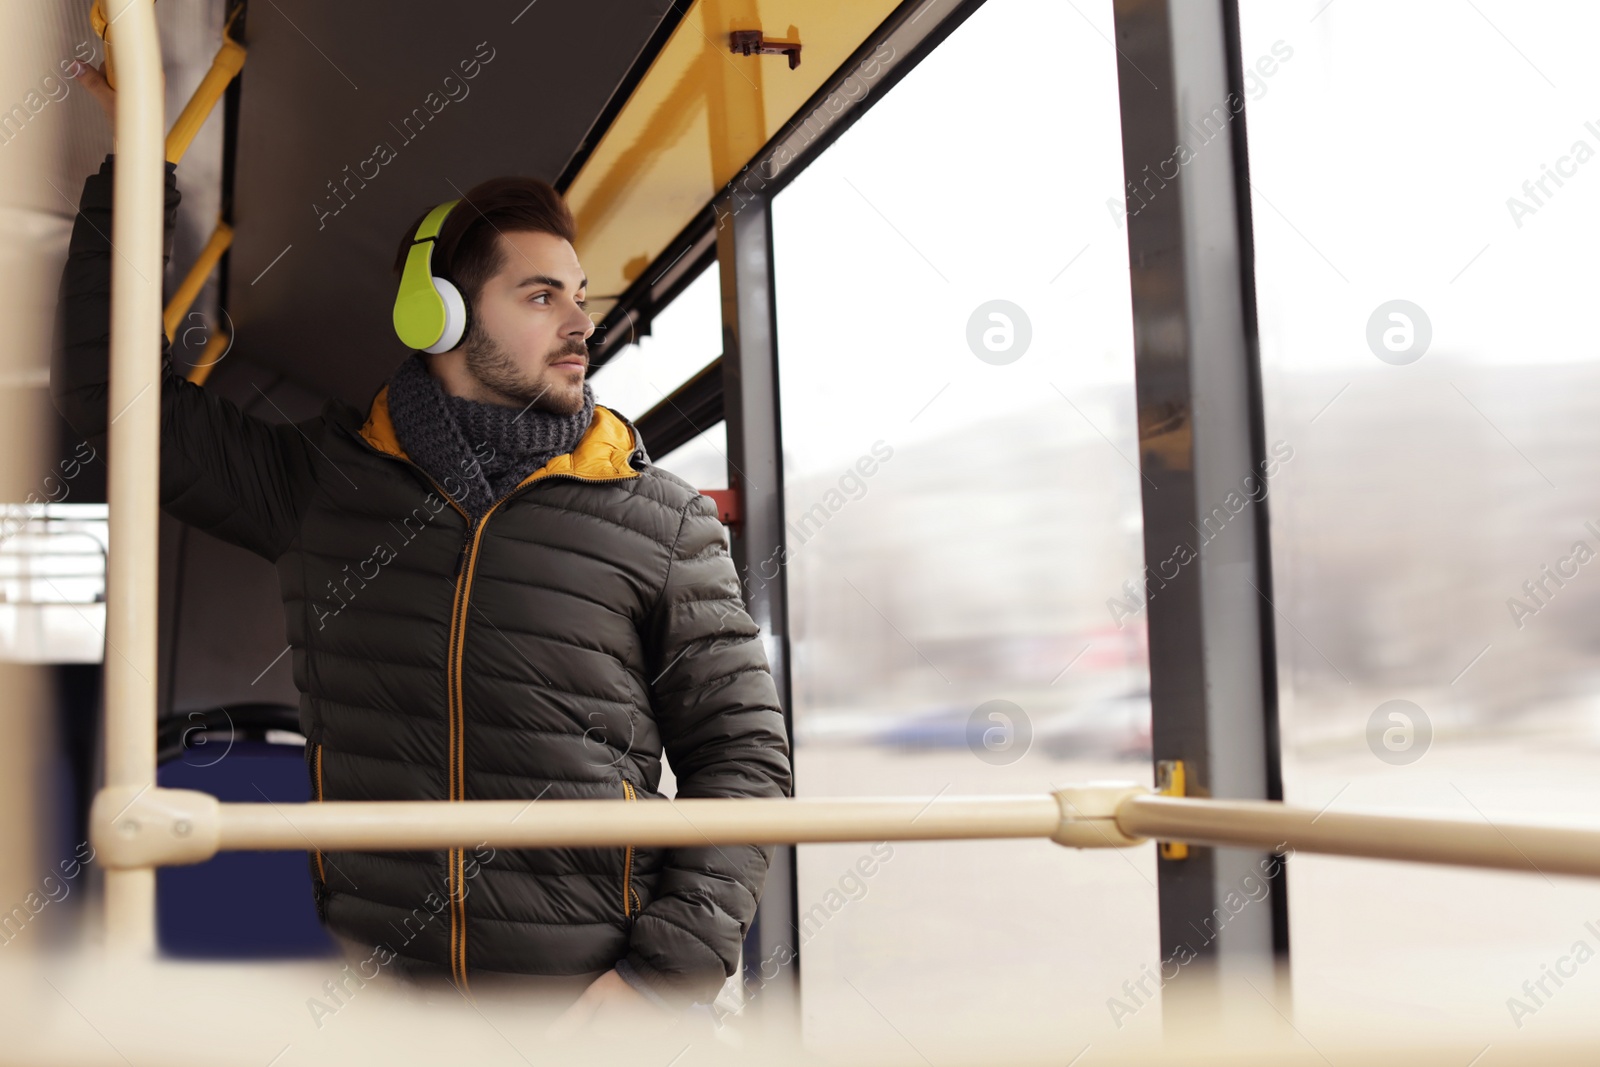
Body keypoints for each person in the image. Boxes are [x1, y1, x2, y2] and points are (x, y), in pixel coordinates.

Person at [56, 60, 792, 1031]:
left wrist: (658, 981)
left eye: (579, 293)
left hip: (602, 1016)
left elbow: (744, 761)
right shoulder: (327, 484)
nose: (580, 322)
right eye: (539, 296)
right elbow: (120, 410)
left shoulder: (657, 518)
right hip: (391, 1013)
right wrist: (138, 168)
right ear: (438, 313)